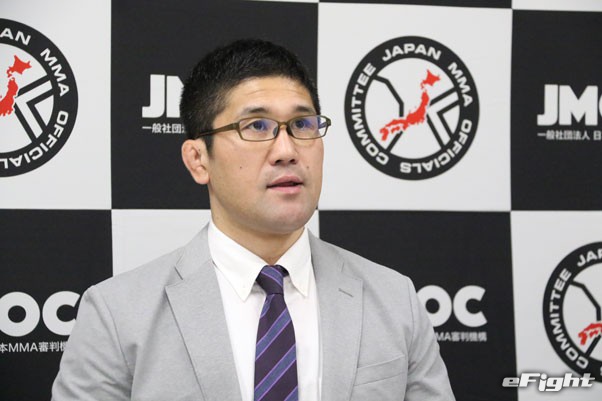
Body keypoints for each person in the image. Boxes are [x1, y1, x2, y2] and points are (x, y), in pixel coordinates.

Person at [51, 39, 455, 401]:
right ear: (198, 159)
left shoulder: (395, 300)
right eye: (257, 126)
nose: (287, 150)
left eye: (302, 125)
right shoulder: (117, 314)